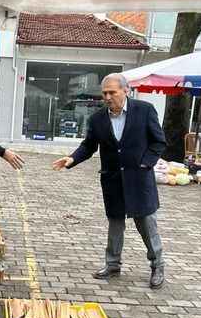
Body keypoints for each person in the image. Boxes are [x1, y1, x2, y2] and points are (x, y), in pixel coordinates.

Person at [52, 73, 167, 289]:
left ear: (126, 90)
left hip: (139, 181)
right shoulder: (97, 119)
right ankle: (112, 264)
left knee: (146, 224)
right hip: (112, 180)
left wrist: (145, 164)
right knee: (115, 224)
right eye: (104, 93)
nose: (107, 97)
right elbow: (88, 146)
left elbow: (158, 142)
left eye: (112, 92)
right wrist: (72, 158)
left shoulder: (145, 111)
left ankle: (157, 265)